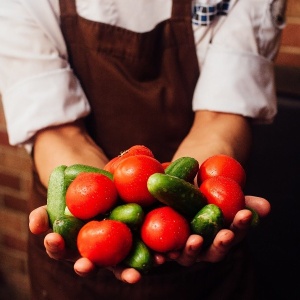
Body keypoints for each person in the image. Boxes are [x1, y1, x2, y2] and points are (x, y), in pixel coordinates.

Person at [0, 0, 286, 299]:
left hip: (203, 270)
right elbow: (60, 133)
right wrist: (98, 199)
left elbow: (220, 117)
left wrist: (197, 193)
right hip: (77, 272)